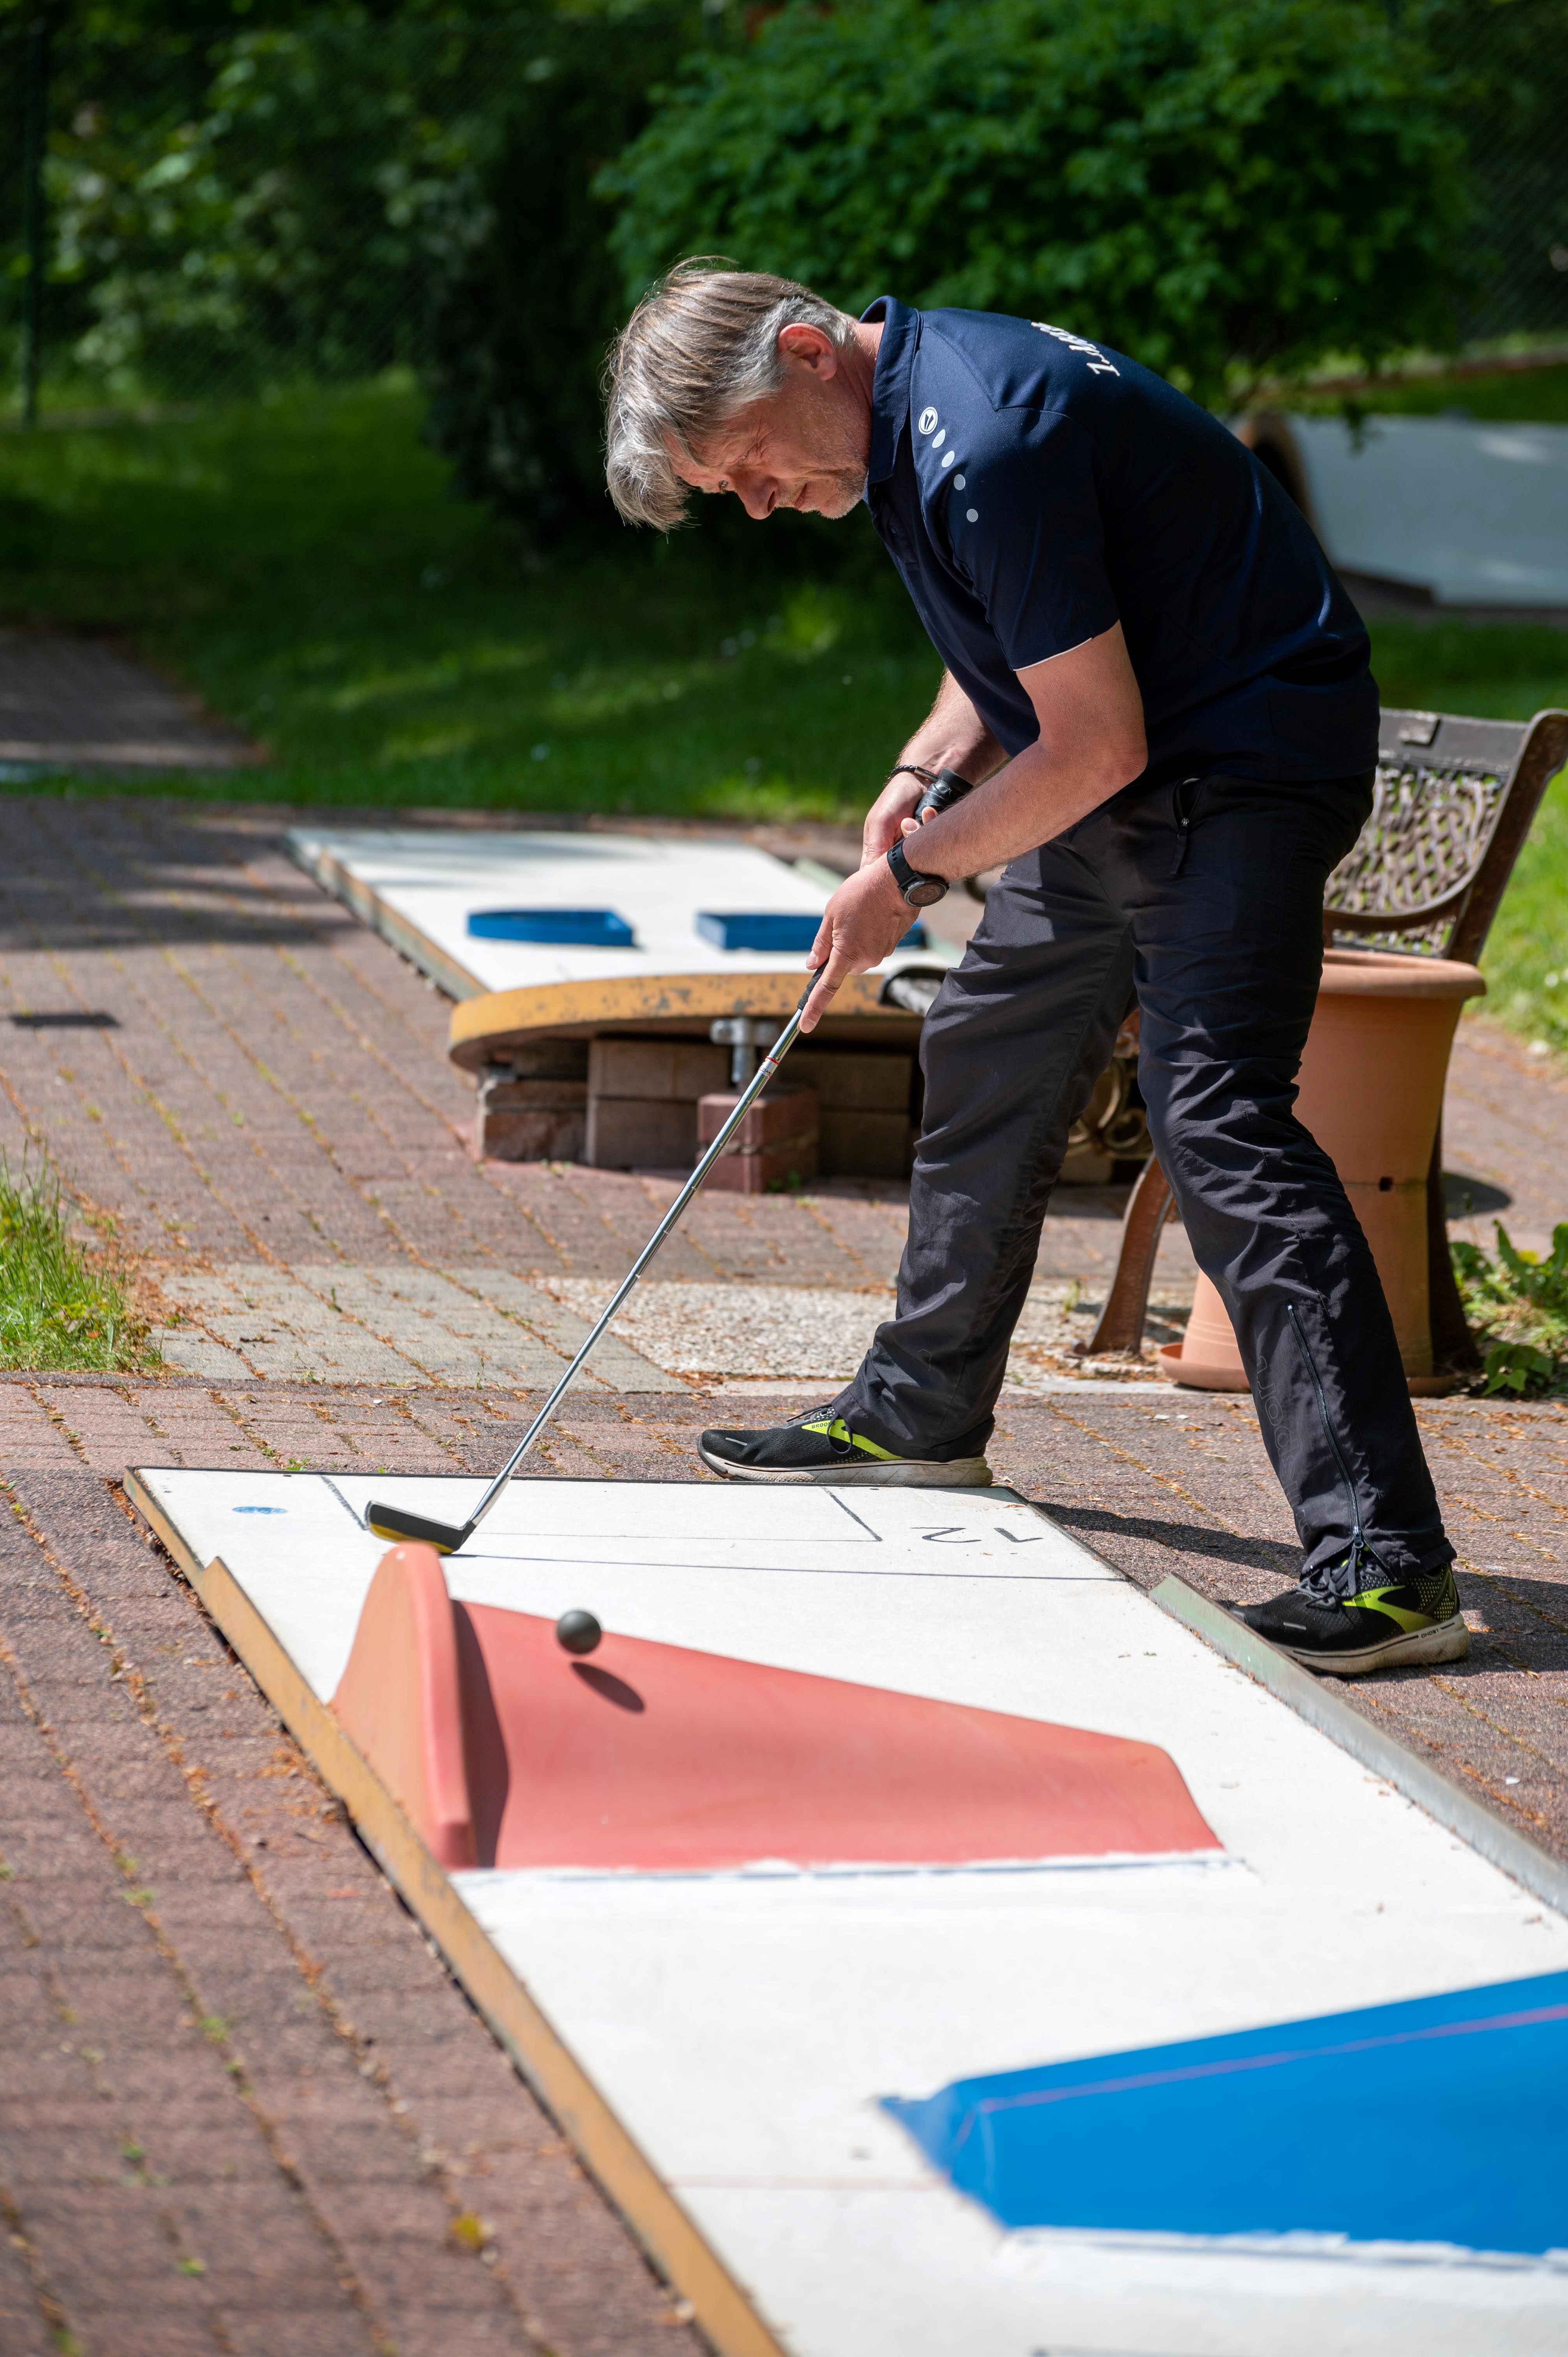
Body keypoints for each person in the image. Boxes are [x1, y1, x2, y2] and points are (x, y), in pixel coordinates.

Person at [601, 262, 1466, 1680]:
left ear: (811, 355)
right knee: (994, 1041)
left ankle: (1385, 1559)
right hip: (1139, 765)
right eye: (731, 489)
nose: (758, 503)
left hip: (1238, 771)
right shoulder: (903, 424)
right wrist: (924, 771)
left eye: (750, 465)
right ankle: (922, 1412)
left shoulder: (984, 431)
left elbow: (1095, 744)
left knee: (1217, 1120)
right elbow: (1019, 642)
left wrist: (912, 878)